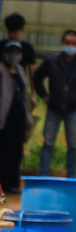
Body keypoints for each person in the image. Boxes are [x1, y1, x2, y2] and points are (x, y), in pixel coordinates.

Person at [33, 29, 76, 178]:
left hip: (73, 110)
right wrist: (43, 94)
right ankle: (44, 173)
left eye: (73, 43)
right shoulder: (52, 61)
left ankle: (71, 175)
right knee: (48, 142)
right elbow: (37, 77)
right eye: (67, 42)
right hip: (54, 108)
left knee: (72, 144)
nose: (70, 46)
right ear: (62, 43)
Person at [0, 39, 31, 195]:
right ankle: (4, 184)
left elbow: (24, 94)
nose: (13, 55)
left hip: (18, 115)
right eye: (10, 52)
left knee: (16, 151)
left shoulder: (19, 69)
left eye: (17, 53)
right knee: (4, 149)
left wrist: (28, 118)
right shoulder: (0, 69)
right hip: (4, 116)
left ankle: (13, 183)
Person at [4, 13, 36, 113]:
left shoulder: (27, 48)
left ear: (22, 30)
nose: (12, 35)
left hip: (20, 88)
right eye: (10, 31)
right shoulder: (2, 46)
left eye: (15, 32)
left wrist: (33, 95)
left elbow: (32, 74)